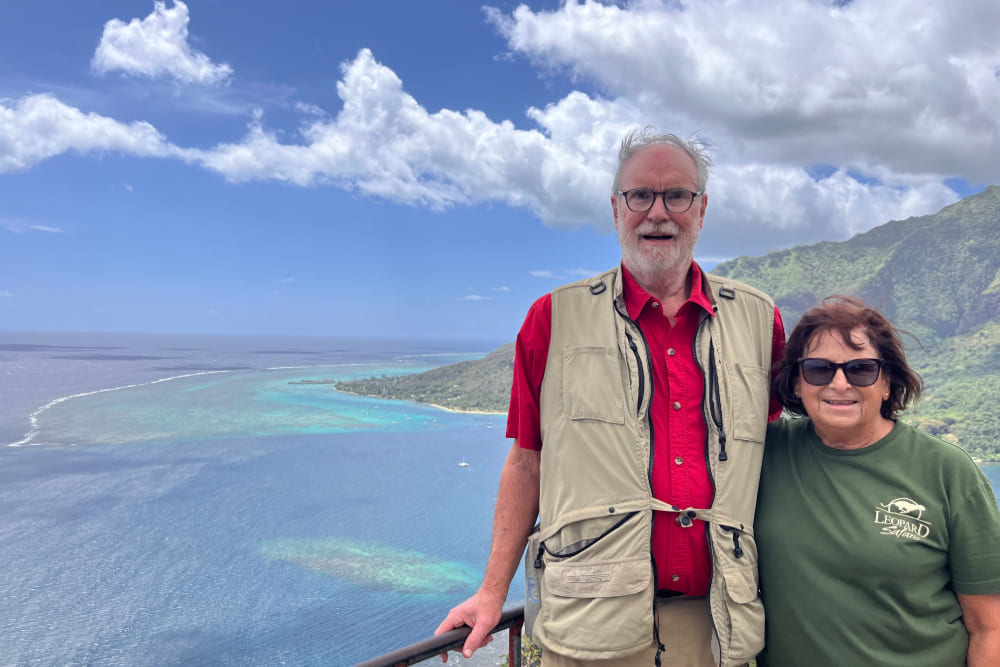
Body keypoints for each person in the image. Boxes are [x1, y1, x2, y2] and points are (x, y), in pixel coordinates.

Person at [435, 128, 785, 667]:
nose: (658, 213)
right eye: (640, 195)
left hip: (717, 625)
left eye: (677, 196)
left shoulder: (760, 321)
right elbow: (528, 462)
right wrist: (490, 592)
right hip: (590, 625)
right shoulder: (553, 318)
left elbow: (779, 455)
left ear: (702, 208)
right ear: (616, 209)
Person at [756, 296, 1000, 666]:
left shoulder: (947, 471)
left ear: (887, 381)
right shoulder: (762, 455)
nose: (839, 383)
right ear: (796, 382)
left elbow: (989, 627)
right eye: (819, 369)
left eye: (861, 369)